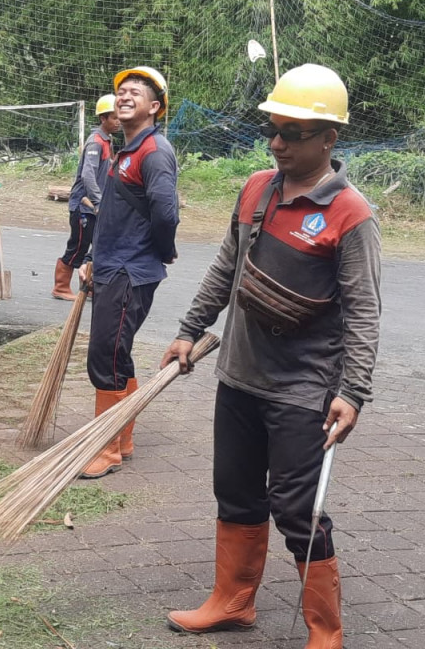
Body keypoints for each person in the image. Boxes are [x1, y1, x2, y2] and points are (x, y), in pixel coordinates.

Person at [161, 64, 381, 647]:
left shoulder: (351, 214)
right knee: (234, 492)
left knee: (296, 508)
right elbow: (225, 268)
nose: (276, 143)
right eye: (272, 130)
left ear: (328, 139)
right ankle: (232, 602)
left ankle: (325, 631)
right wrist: (189, 329)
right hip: (238, 377)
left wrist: (352, 391)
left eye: (291, 132)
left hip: (303, 391)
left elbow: (364, 313)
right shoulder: (257, 187)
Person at [78, 66, 179, 479]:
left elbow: (166, 212)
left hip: (130, 272)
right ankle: (123, 439)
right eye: (121, 91)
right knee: (114, 354)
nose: (124, 96)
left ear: (154, 107)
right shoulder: (123, 152)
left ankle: (106, 450)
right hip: (110, 265)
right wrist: (90, 257)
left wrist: (164, 250)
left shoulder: (154, 152)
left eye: (135, 91)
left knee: (106, 357)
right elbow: (110, 214)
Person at [52, 94, 120, 300]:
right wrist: (98, 202)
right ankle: (61, 287)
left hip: (96, 205)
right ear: (103, 118)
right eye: (114, 117)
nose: (119, 121)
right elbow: (88, 176)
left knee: (98, 245)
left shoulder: (107, 141)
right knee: (79, 245)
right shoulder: (95, 143)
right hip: (84, 206)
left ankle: (88, 286)